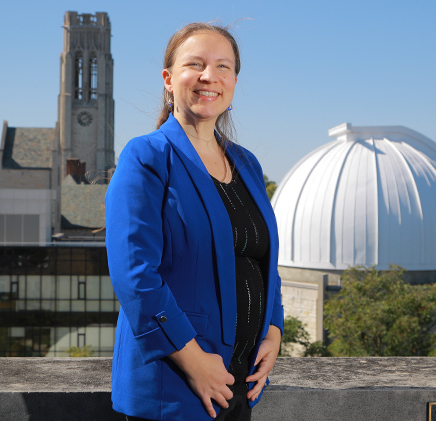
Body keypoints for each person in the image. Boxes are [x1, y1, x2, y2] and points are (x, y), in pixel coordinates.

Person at [105, 22, 283, 421]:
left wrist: (273, 328)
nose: (210, 76)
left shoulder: (247, 164)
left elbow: (263, 260)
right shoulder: (147, 158)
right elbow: (135, 274)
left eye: (223, 67)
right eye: (195, 64)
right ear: (168, 79)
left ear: (234, 81)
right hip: (177, 388)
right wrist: (193, 361)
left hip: (240, 383)